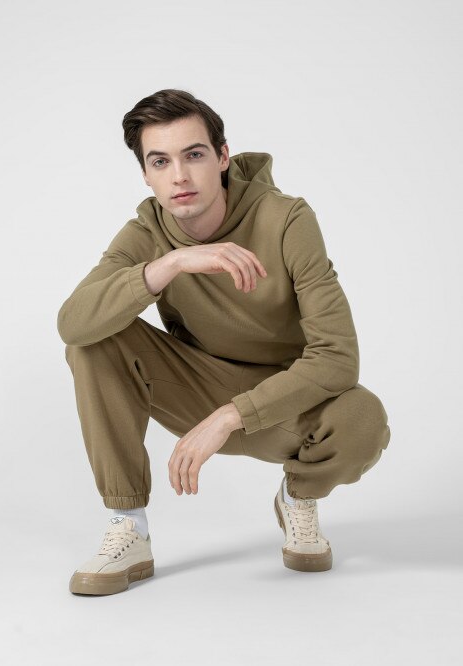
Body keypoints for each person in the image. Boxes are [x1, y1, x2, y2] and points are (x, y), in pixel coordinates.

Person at [57, 88, 391, 596]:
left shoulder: (286, 219)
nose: (179, 176)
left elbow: (338, 358)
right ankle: (129, 527)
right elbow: (72, 323)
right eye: (160, 161)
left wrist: (229, 417)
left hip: (283, 404)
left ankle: (297, 499)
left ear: (222, 157)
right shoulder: (148, 232)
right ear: (145, 174)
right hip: (195, 387)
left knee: (362, 419)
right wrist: (170, 264)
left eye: (193, 155)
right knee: (93, 338)